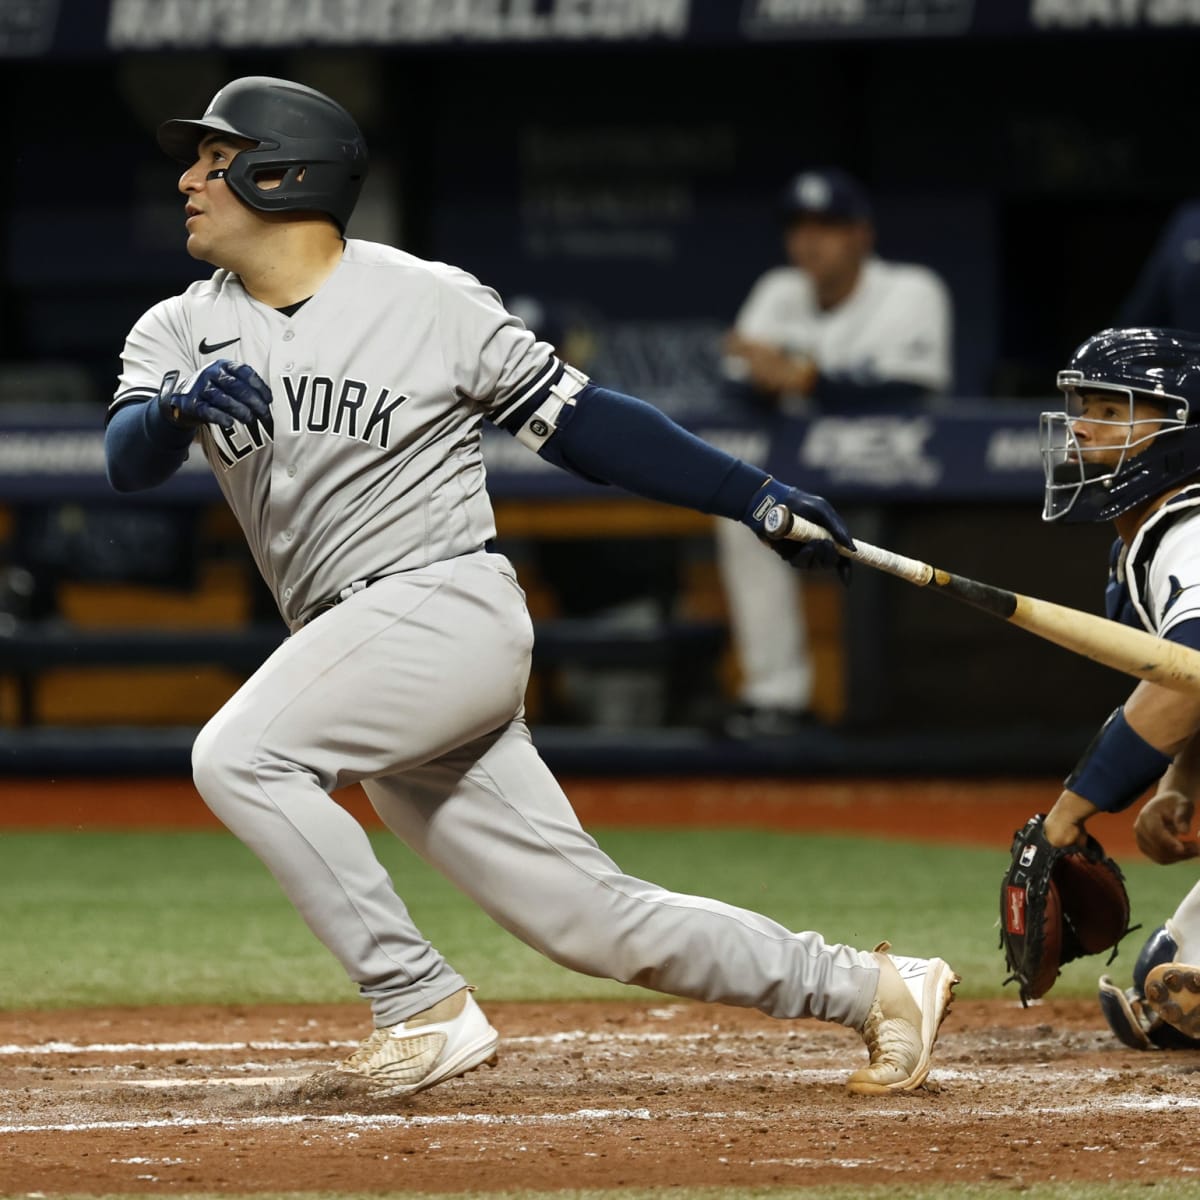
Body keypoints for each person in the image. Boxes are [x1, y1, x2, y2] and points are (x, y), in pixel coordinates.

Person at [103, 75, 959, 1099]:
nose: (191, 178)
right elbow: (127, 459)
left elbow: (589, 422)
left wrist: (754, 493)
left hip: (442, 603)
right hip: (355, 651)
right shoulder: (177, 328)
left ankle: (415, 1001)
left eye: (212, 156)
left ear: (280, 172)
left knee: (240, 756)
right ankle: (873, 989)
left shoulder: (426, 298)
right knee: (587, 919)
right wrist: (173, 412)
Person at [715, 167, 953, 737]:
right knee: (742, 516)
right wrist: (774, 378)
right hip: (808, 470)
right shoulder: (778, 290)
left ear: (861, 234)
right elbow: (739, 381)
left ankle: (909, 708)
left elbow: (909, 387)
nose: (810, 239)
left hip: (905, 468)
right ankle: (776, 698)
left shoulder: (912, 289)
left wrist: (803, 377)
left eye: (828, 225)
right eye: (799, 225)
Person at [1036, 326, 1200, 1049]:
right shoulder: (1153, 535)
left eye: (1111, 410)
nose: (1081, 426)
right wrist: (1178, 787)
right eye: (1083, 406)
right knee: (1164, 991)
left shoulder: (1190, 528)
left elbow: (1196, 672)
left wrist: (1071, 811)